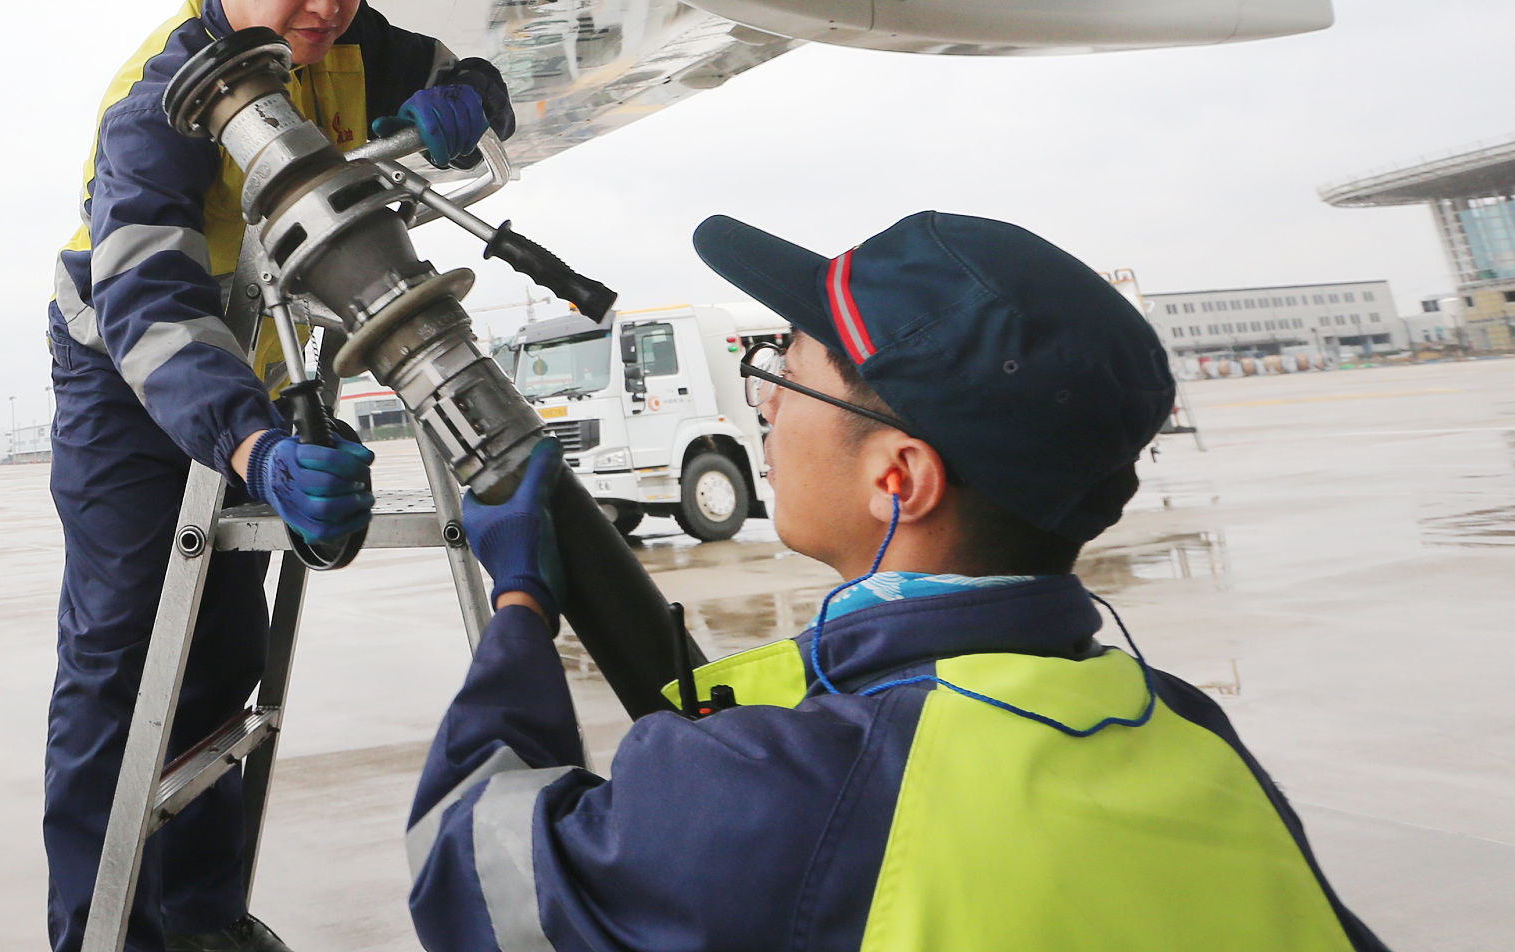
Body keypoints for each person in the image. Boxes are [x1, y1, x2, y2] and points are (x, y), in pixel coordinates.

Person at [407, 210, 1387, 951]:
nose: (762, 407)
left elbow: (463, 864)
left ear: (899, 476)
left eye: (783, 371)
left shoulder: (792, 787)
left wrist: (521, 606)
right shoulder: (1185, 732)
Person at [46, 0, 514, 952]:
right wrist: (256, 452)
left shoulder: (357, 43)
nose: (324, 4)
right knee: (122, 654)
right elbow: (151, 310)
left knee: (219, 655)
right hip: (128, 368)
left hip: (251, 360)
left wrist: (471, 99)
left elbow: (479, 81)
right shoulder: (154, 102)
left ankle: (202, 918)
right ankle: (96, 933)